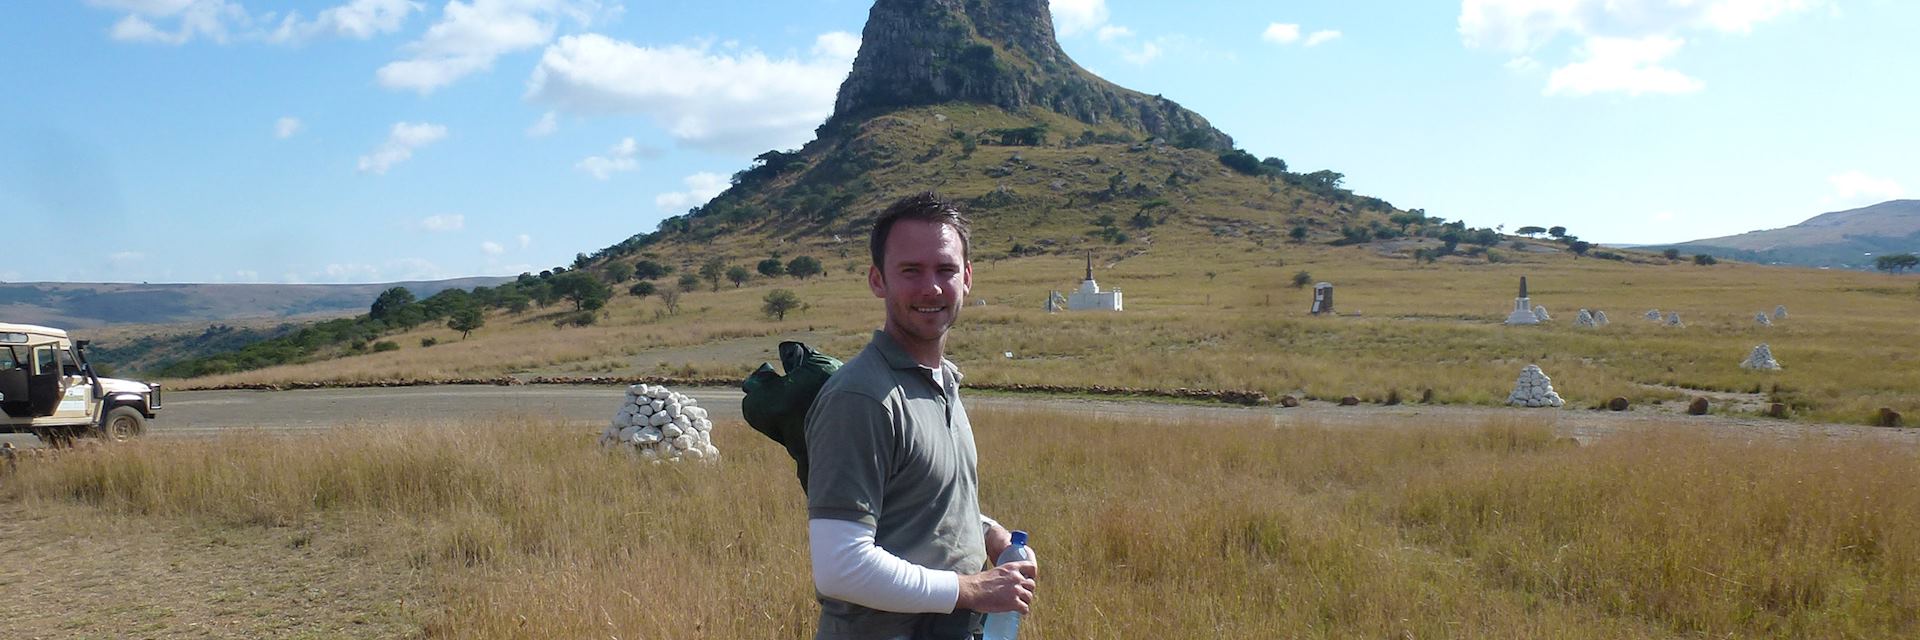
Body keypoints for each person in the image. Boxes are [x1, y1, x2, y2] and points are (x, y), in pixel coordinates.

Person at [804, 192, 1037, 639]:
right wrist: (971, 589)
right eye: (910, 270)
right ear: (878, 280)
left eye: (945, 269)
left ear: (967, 278)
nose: (931, 287)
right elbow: (841, 566)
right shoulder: (862, 397)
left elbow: (921, 500)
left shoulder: (940, 381)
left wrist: (990, 535)